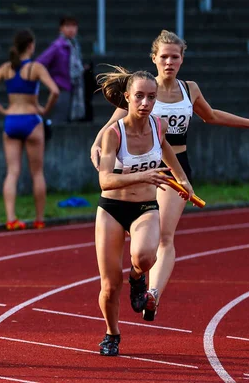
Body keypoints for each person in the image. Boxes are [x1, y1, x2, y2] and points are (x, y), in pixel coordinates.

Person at [90, 30, 249, 322]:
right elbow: (112, 126)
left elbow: (212, 115)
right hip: (137, 168)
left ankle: (152, 292)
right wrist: (96, 146)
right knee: (138, 233)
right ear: (154, 58)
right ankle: (138, 272)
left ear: (182, 59)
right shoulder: (142, 90)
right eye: (164, 56)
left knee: (164, 236)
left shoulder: (189, 89)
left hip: (174, 166)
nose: (169, 62)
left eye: (175, 57)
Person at [95, 67, 193, 356]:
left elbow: (167, 151)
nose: (145, 103)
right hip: (112, 208)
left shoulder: (157, 125)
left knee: (146, 256)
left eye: (151, 97)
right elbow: (105, 180)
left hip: (144, 206)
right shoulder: (114, 133)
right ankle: (112, 333)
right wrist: (143, 176)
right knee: (110, 285)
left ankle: (137, 277)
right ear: (127, 98)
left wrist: (182, 179)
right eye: (139, 96)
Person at [0, 29, 59, 230]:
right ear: (31, 45)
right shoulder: (35, 68)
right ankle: (39, 219)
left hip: (12, 120)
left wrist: (3, 110)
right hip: (32, 120)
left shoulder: (7, 67)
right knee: (37, 173)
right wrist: (44, 110)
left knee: (12, 172)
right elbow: (55, 91)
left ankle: (11, 218)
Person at [36, 15, 91, 123]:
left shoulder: (75, 46)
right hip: (61, 87)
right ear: (61, 28)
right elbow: (39, 63)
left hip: (74, 87)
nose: (71, 29)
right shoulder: (57, 46)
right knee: (59, 119)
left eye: (73, 26)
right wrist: (52, 81)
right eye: (67, 26)